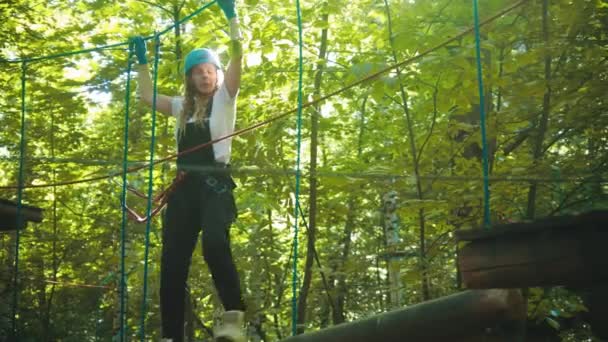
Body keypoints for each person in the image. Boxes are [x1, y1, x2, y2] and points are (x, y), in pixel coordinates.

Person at [132, 1, 246, 341]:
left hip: (215, 185)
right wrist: (142, 63)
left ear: (217, 74)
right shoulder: (181, 107)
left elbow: (239, 57)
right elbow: (146, 96)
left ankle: (233, 321)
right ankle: (170, 336)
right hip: (184, 190)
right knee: (172, 263)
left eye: (210, 70)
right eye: (198, 71)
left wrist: (232, 18)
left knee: (214, 243)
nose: (205, 75)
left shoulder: (226, 98)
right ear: (190, 78)